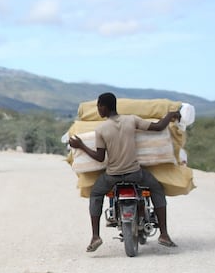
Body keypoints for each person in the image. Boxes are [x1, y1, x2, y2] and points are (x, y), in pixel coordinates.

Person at [68, 92, 180, 252]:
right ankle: (163, 234)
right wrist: (170, 115)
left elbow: (99, 158)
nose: (98, 109)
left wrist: (81, 146)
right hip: (135, 173)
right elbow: (158, 127)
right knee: (156, 188)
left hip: (112, 176)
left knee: (96, 194)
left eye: (99, 106)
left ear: (103, 107)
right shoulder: (131, 120)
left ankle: (95, 236)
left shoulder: (101, 129)